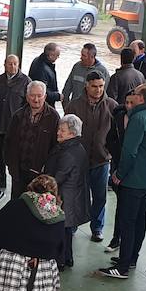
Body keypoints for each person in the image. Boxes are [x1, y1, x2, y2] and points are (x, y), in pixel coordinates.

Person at [100, 84, 146, 279]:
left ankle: (123, 267)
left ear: (142, 98)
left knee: (127, 221)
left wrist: (119, 174)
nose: (132, 96)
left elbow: (129, 151)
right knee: (140, 220)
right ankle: (131, 258)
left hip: (134, 179)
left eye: (135, 94)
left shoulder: (137, 118)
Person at [66, 72, 113, 242]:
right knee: (77, 195)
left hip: (101, 161)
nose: (98, 89)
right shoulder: (74, 106)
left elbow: (116, 136)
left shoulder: (112, 106)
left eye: (101, 86)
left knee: (100, 197)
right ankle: (72, 225)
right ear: (86, 85)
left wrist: (108, 152)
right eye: (94, 86)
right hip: (79, 161)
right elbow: (67, 131)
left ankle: (97, 228)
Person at [46, 114, 90, 269]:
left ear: (72, 134)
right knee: (66, 231)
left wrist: (42, 184)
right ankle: (67, 258)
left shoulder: (68, 153)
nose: (58, 132)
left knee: (61, 231)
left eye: (62, 130)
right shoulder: (76, 147)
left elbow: (58, 177)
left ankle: (60, 261)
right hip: (72, 196)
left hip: (65, 197)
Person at [5, 81, 60, 196]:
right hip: (19, 173)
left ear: (45, 97)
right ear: (27, 97)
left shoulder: (53, 117)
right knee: (17, 203)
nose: (36, 99)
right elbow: (8, 142)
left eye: (39, 96)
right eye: (32, 95)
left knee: (37, 209)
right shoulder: (18, 116)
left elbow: (56, 147)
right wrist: (11, 165)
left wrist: (48, 171)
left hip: (40, 176)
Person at [0, 54, 29, 204]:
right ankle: (0, 183)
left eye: (15, 64)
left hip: (15, 130)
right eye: (10, 64)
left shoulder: (26, 82)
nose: (12, 67)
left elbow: (28, 106)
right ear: (4, 64)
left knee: (13, 159)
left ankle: (16, 188)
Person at [28, 43, 62, 107]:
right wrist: (58, 96)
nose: (58, 58)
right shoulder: (42, 69)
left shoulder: (37, 60)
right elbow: (42, 91)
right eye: (57, 55)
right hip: (43, 105)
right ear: (51, 55)